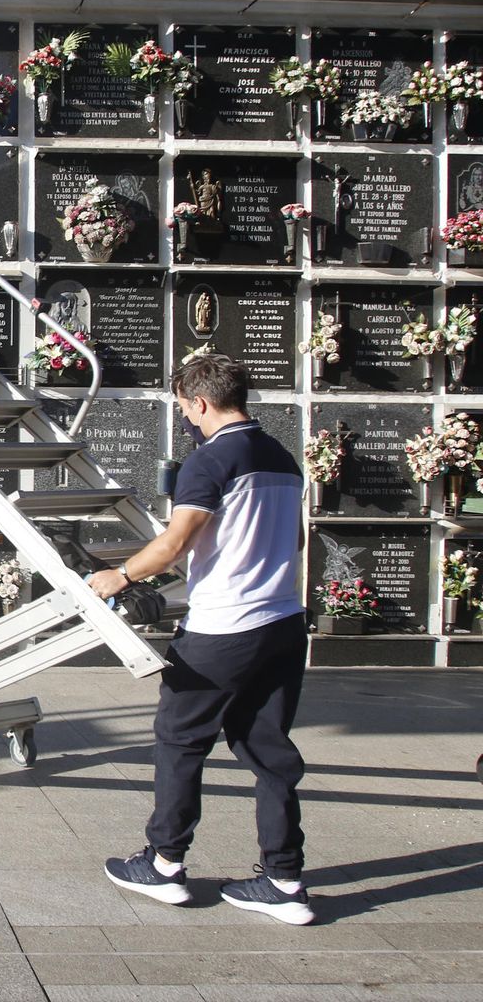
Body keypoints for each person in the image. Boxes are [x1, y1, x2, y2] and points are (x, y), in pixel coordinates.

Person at [88, 354, 312, 926]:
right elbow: (297, 541)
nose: (185, 414)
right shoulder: (282, 457)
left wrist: (121, 575)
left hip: (223, 630)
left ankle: (164, 866)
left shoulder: (210, 460)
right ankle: (284, 879)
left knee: (180, 740)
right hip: (284, 622)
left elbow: (176, 541)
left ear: (200, 402)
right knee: (269, 750)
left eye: (183, 405)